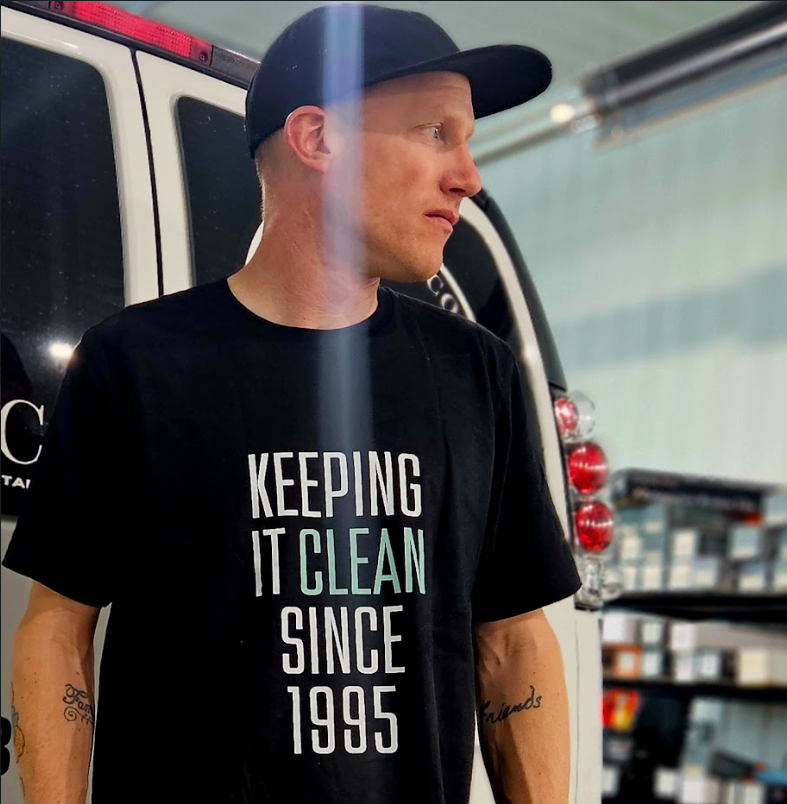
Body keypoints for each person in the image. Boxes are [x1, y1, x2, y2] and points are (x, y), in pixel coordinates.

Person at [2, 5, 581, 803]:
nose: (468, 175)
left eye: (467, 140)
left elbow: (513, 641)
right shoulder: (134, 363)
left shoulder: (474, 373)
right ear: (317, 140)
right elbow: (58, 631)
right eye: (434, 132)